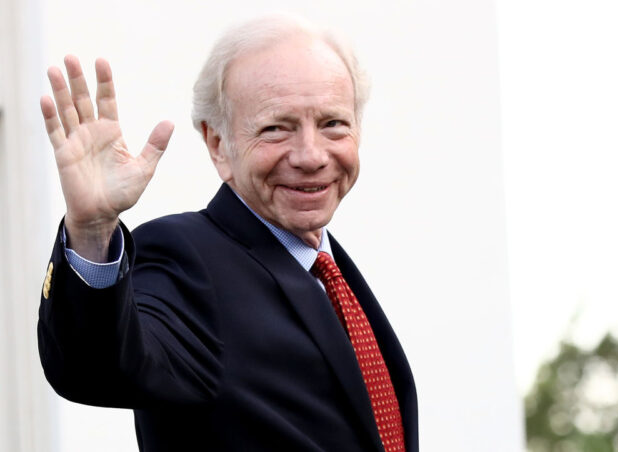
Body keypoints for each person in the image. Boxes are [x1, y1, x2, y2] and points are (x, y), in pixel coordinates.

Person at [37, 14, 418, 452]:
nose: (311, 155)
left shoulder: (331, 271)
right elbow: (95, 366)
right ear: (219, 145)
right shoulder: (187, 258)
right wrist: (91, 230)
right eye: (277, 127)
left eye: (333, 123)